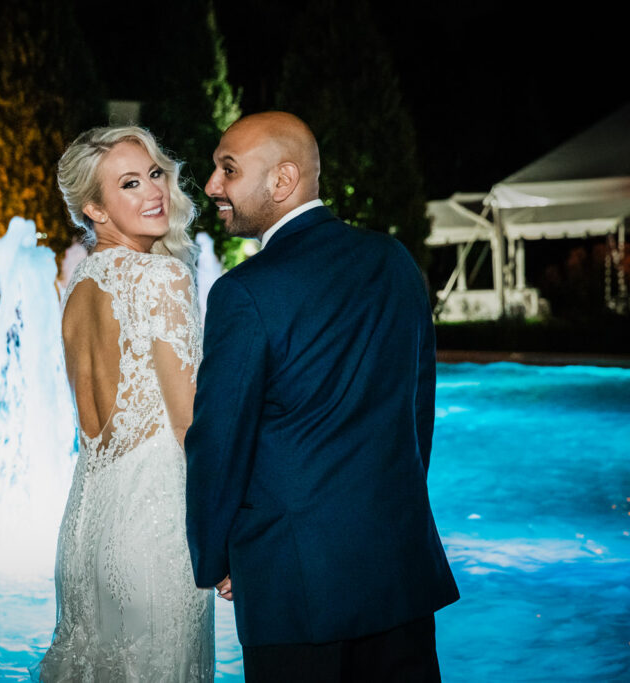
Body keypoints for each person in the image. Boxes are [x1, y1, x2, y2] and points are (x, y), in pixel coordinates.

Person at [185, 111, 459, 682]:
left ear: (282, 181)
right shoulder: (396, 262)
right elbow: (417, 414)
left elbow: (219, 440)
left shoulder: (244, 291)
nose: (212, 186)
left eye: (227, 170)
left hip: (296, 584)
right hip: (399, 573)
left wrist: (218, 556)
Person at [34, 125, 215, 681]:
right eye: (130, 184)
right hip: (153, 533)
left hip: (86, 528)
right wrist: (226, 530)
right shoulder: (161, 276)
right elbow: (190, 426)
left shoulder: (78, 283)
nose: (153, 192)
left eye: (155, 174)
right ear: (95, 208)